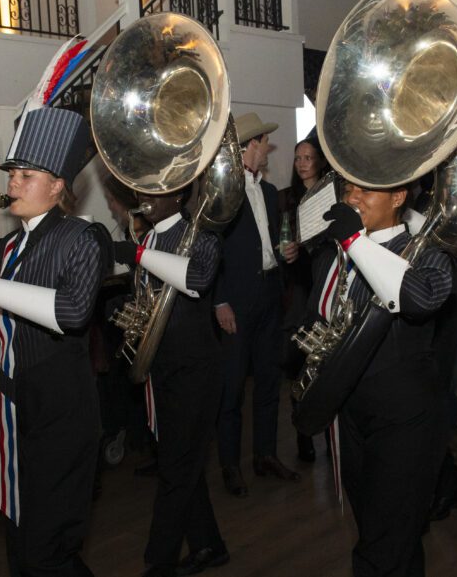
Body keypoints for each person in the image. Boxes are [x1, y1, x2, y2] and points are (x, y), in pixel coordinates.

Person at [0, 103, 107, 576]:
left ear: (58, 185)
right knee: (21, 547)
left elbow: (70, 313)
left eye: (26, 175)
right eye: (12, 175)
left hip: (61, 416)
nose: (13, 185)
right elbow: (3, 332)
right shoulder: (8, 246)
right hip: (12, 414)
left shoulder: (82, 238)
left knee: (50, 551)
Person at [305, 182, 456, 576]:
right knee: (384, 534)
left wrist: (354, 239)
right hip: (349, 414)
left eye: (367, 190)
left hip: (406, 418)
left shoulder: (430, 255)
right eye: (348, 188)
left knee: (381, 547)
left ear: (399, 196)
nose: (353, 197)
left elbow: (419, 298)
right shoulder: (332, 255)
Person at [113, 188, 227, 577]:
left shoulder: (201, 236)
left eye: (153, 193)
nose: (143, 198)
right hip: (162, 366)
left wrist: (140, 256)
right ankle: (209, 545)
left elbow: (196, 279)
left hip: (196, 368)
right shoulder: (145, 238)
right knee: (183, 460)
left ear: (177, 198)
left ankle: (157, 562)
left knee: (176, 468)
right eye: (141, 192)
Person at [215, 112, 299, 498]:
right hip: (236, 299)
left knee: (268, 380)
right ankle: (230, 465)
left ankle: (265, 455)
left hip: (269, 293)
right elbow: (211, 251)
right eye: (264, 143)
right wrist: (219, 301)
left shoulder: (268, 192)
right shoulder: (223, 192)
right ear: (250, 146)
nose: (267, 149)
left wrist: (286, 254)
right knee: (231, 387)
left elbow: (269, 245)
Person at [284, 136, 330, 462]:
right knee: (303, 361)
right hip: (300, 287)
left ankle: (330, 430)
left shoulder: (329, 195)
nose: (302, 163)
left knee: (327, 361)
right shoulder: (289, 200)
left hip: (324, 283)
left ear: (318, 162)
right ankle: (303, 435)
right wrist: (291, 250)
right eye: (298, 157)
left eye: (308, 157)